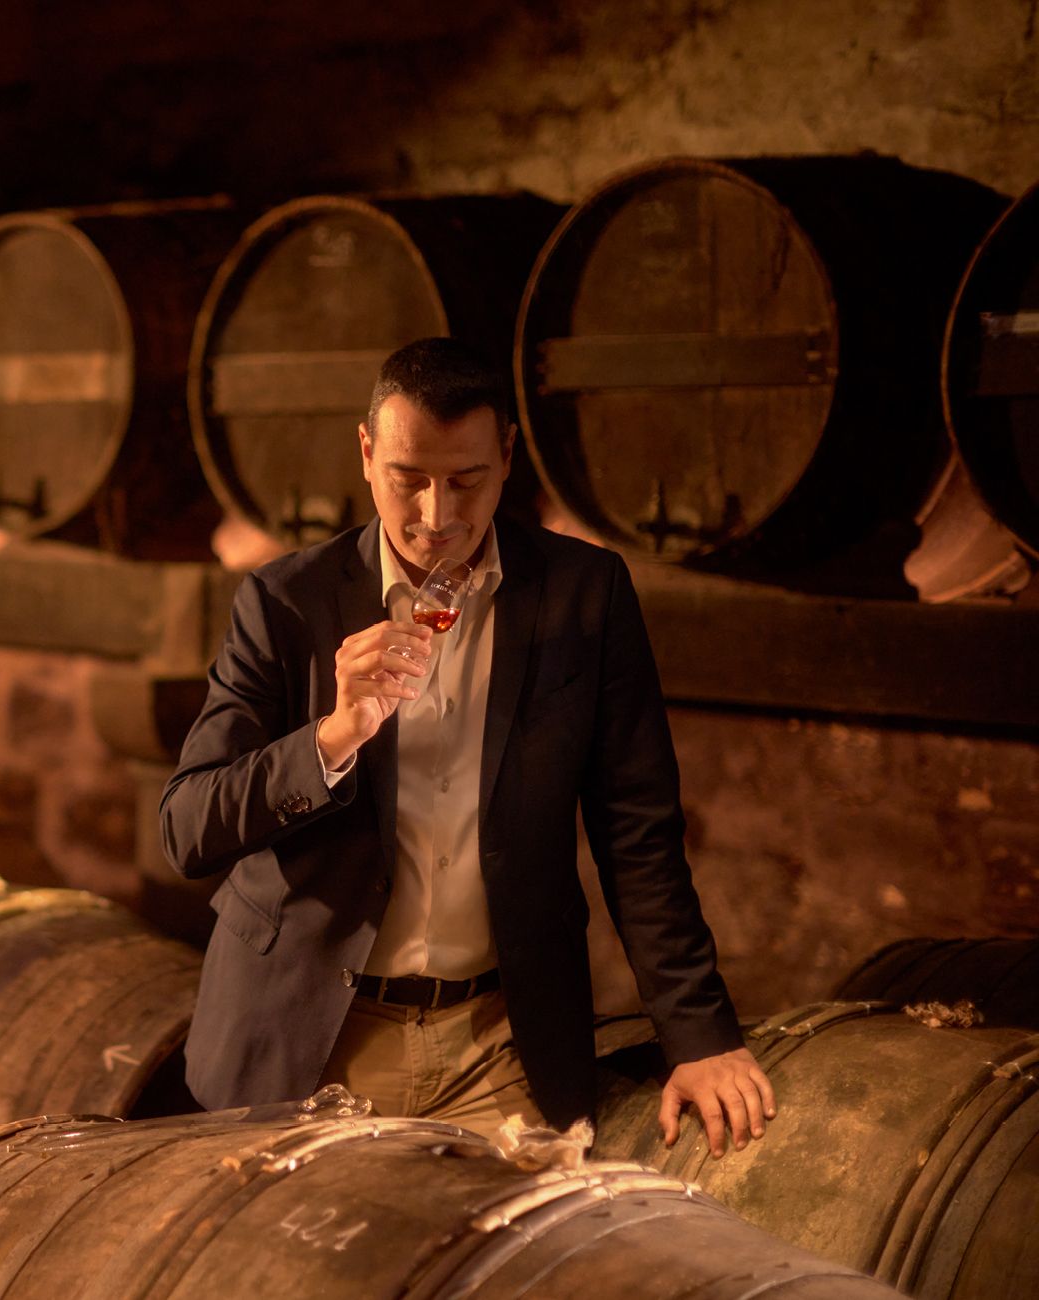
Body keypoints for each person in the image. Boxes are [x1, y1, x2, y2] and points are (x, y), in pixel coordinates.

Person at [161, 337, 774, 1156]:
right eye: (409, 480)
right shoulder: (284, 602)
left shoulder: (585, 593)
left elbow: (638, 830)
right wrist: (333, 737)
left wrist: (699, 1035)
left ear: (509, 454)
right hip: (314, 1040)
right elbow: (188, 826)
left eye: (467, 480)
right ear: (367, 452)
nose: (437, 517)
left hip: (502, 1044)